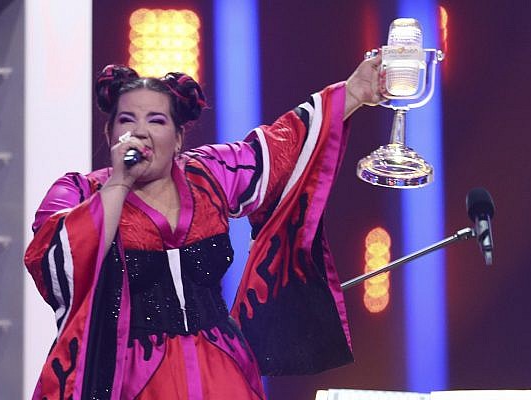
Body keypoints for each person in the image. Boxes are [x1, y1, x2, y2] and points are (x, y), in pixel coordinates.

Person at [25, 53, 383, 399]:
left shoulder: (208, 174)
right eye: (127, 120)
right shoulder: (78, 191)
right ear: (109, 133)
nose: (141, 131)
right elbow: (54, 257)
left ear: (179, 137)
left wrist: (352, 94)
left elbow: (280, 147)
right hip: (128, 376)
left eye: (156, 120)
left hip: (221, 367)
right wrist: (119, 183)